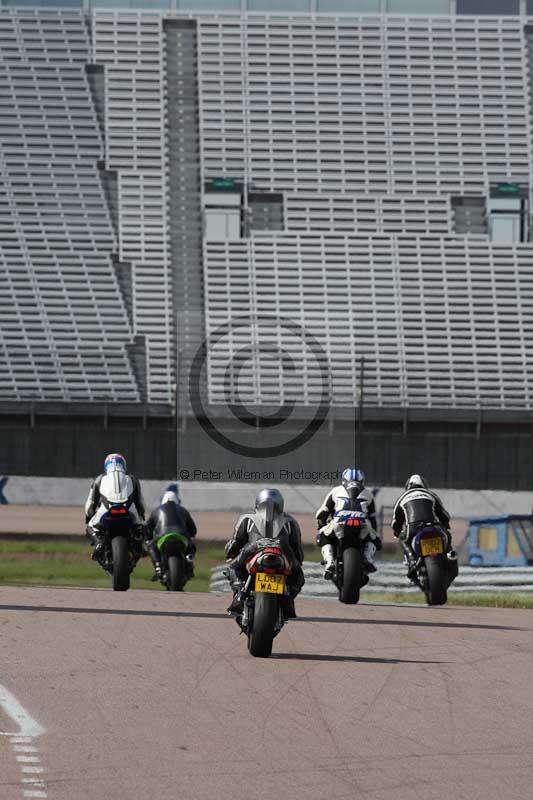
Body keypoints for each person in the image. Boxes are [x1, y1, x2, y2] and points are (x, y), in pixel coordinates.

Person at [225, 488, 305, 619]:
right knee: (298, 575)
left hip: (253, 549)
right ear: (281, 504)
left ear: (257, 503)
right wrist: (297, 561)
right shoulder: (290, 521)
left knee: (233, 567)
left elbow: (236, 542)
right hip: (283, 550)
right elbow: (297, 547)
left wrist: (230, 553)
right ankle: (288, 601)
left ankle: (240, 594)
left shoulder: (247, 518)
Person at [316, 467, 380, 578]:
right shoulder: (368, 494)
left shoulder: (335, 491)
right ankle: (367, 557)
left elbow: (323, 512)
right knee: (376, 540)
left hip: (339, 523)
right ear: (362, 481)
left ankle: (330, 561)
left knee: (322, 536)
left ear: (343, 480)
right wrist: (374, 532)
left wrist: (321, 525)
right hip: (362, 524)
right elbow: (373, 517)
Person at [391, 474, 455, 577]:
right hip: (433, 525)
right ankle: (448, 555)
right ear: (424, 484)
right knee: (447, 535)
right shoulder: (431, 494)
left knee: (403, 539)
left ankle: (412, 561)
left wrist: (397, 531)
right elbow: (444, 514)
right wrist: (446, 524)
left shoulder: (402, 498)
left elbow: (396, 521)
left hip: (413, 528)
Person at [84, 453, 146, 559]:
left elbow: (91, 503)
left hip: (106, 510)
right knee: (141, 528)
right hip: (129, 511)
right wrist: (141, 516)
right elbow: (140, 503)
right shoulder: (132, 478)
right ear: (123, 465)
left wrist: (89, 515)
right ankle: (138, 545)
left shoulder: (99, 479)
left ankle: (99, 543)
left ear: (106, 465)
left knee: (90, 527)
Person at [145, 490, 197, 581]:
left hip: (162, 536)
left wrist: (148, 537)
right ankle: (189, 563)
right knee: (191, 547)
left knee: (151, 547)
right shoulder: (183, 510)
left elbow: (147, 528)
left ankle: (158, 567)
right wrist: (190, 536)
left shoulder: (156, 510)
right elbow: (193, 530)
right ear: (177, 500)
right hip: (181, 536)